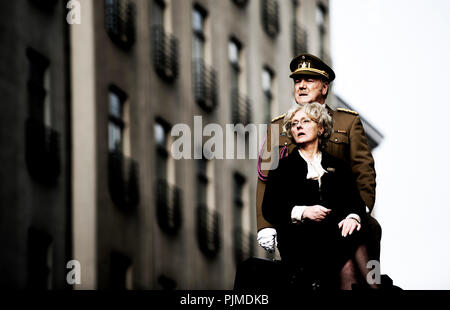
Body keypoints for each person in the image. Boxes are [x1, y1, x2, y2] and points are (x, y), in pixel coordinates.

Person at [256, 54, 382, 270]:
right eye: (297, 81)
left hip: (343, 211)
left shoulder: (347, 122)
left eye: (309, 81)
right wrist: (265, 226)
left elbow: (364, 172)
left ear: (324, 88)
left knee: (370, 232)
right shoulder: (278, 127)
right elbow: (266, 179)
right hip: (299, 219)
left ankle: (373, 283)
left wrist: (359, 211)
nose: (302, 86)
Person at [261, 103, 379, 289]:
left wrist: (353, 217)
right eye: (294, 124)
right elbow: (270, 208)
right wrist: (303, 211)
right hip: (301, 239)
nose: (298, 126)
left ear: (321, 128)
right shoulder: (282, 167)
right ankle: (375, 286)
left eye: (305, 121)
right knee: (347, 258)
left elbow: (354, 200)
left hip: (336, 235)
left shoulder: (338, 166)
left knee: (357, 237)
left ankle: (374, 285)